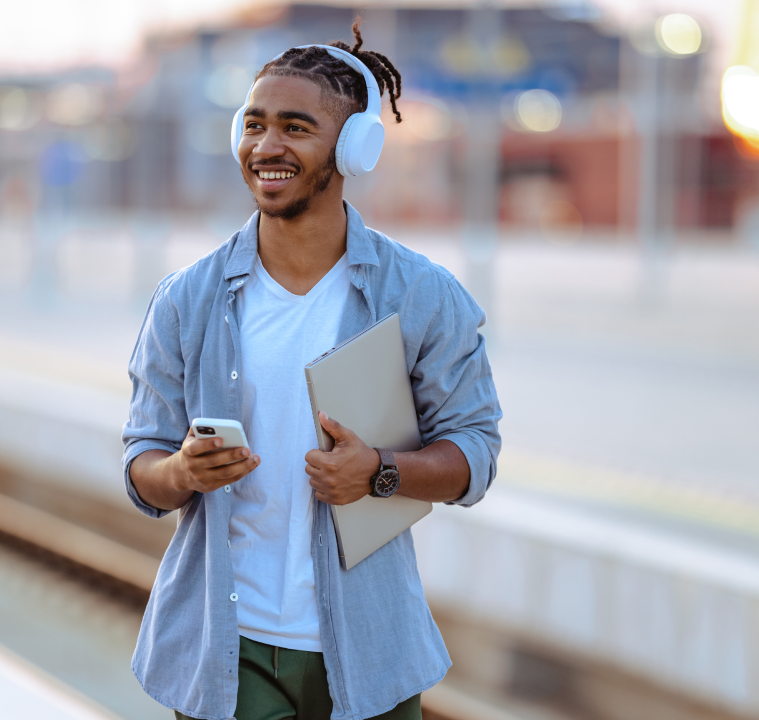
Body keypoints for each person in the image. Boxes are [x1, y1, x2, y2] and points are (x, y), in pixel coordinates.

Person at [122, 20, 502, 720]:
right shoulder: (187, 300)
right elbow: (141, 462)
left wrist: (380, 471)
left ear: (354, 147)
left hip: (369, 652)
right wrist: (181, 472)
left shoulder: (418, 296)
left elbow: (475, 452)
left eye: (296, 128)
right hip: (224, 653)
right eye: (255, 125)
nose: (267, 147)